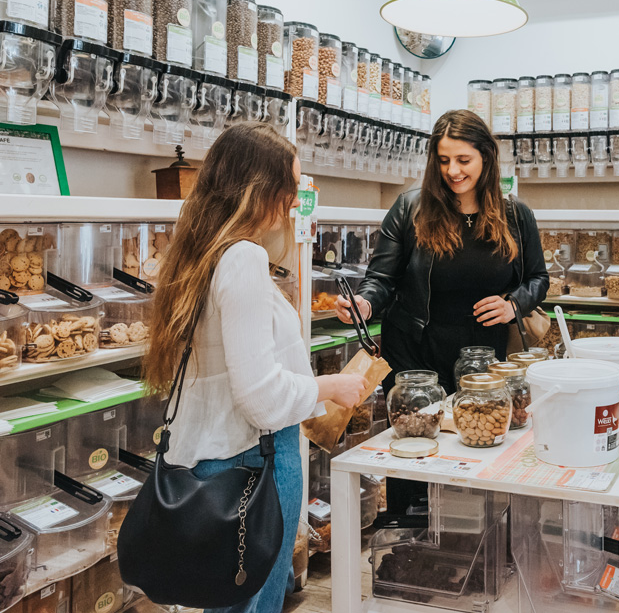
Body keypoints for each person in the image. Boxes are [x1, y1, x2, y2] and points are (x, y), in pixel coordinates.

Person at [143, 123, 367, 613]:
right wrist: (333, 385)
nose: (295, 200)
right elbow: (260, 396)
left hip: (212, 459)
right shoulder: (243, 257)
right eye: (291, 186)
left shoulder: (201, 252)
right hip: (253, 461)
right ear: (258, 188)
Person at [334, 109, 549, 395]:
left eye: (464, 160)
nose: (453, 171)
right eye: (444, 160)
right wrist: (365, 304)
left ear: (486, 156)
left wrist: (514, 305)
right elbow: (381, 279)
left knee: (481, 434)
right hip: (414, 357)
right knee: (417, 437)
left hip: (486, 360)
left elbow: (538, 278)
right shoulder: (409, 208)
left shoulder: (516, 215)